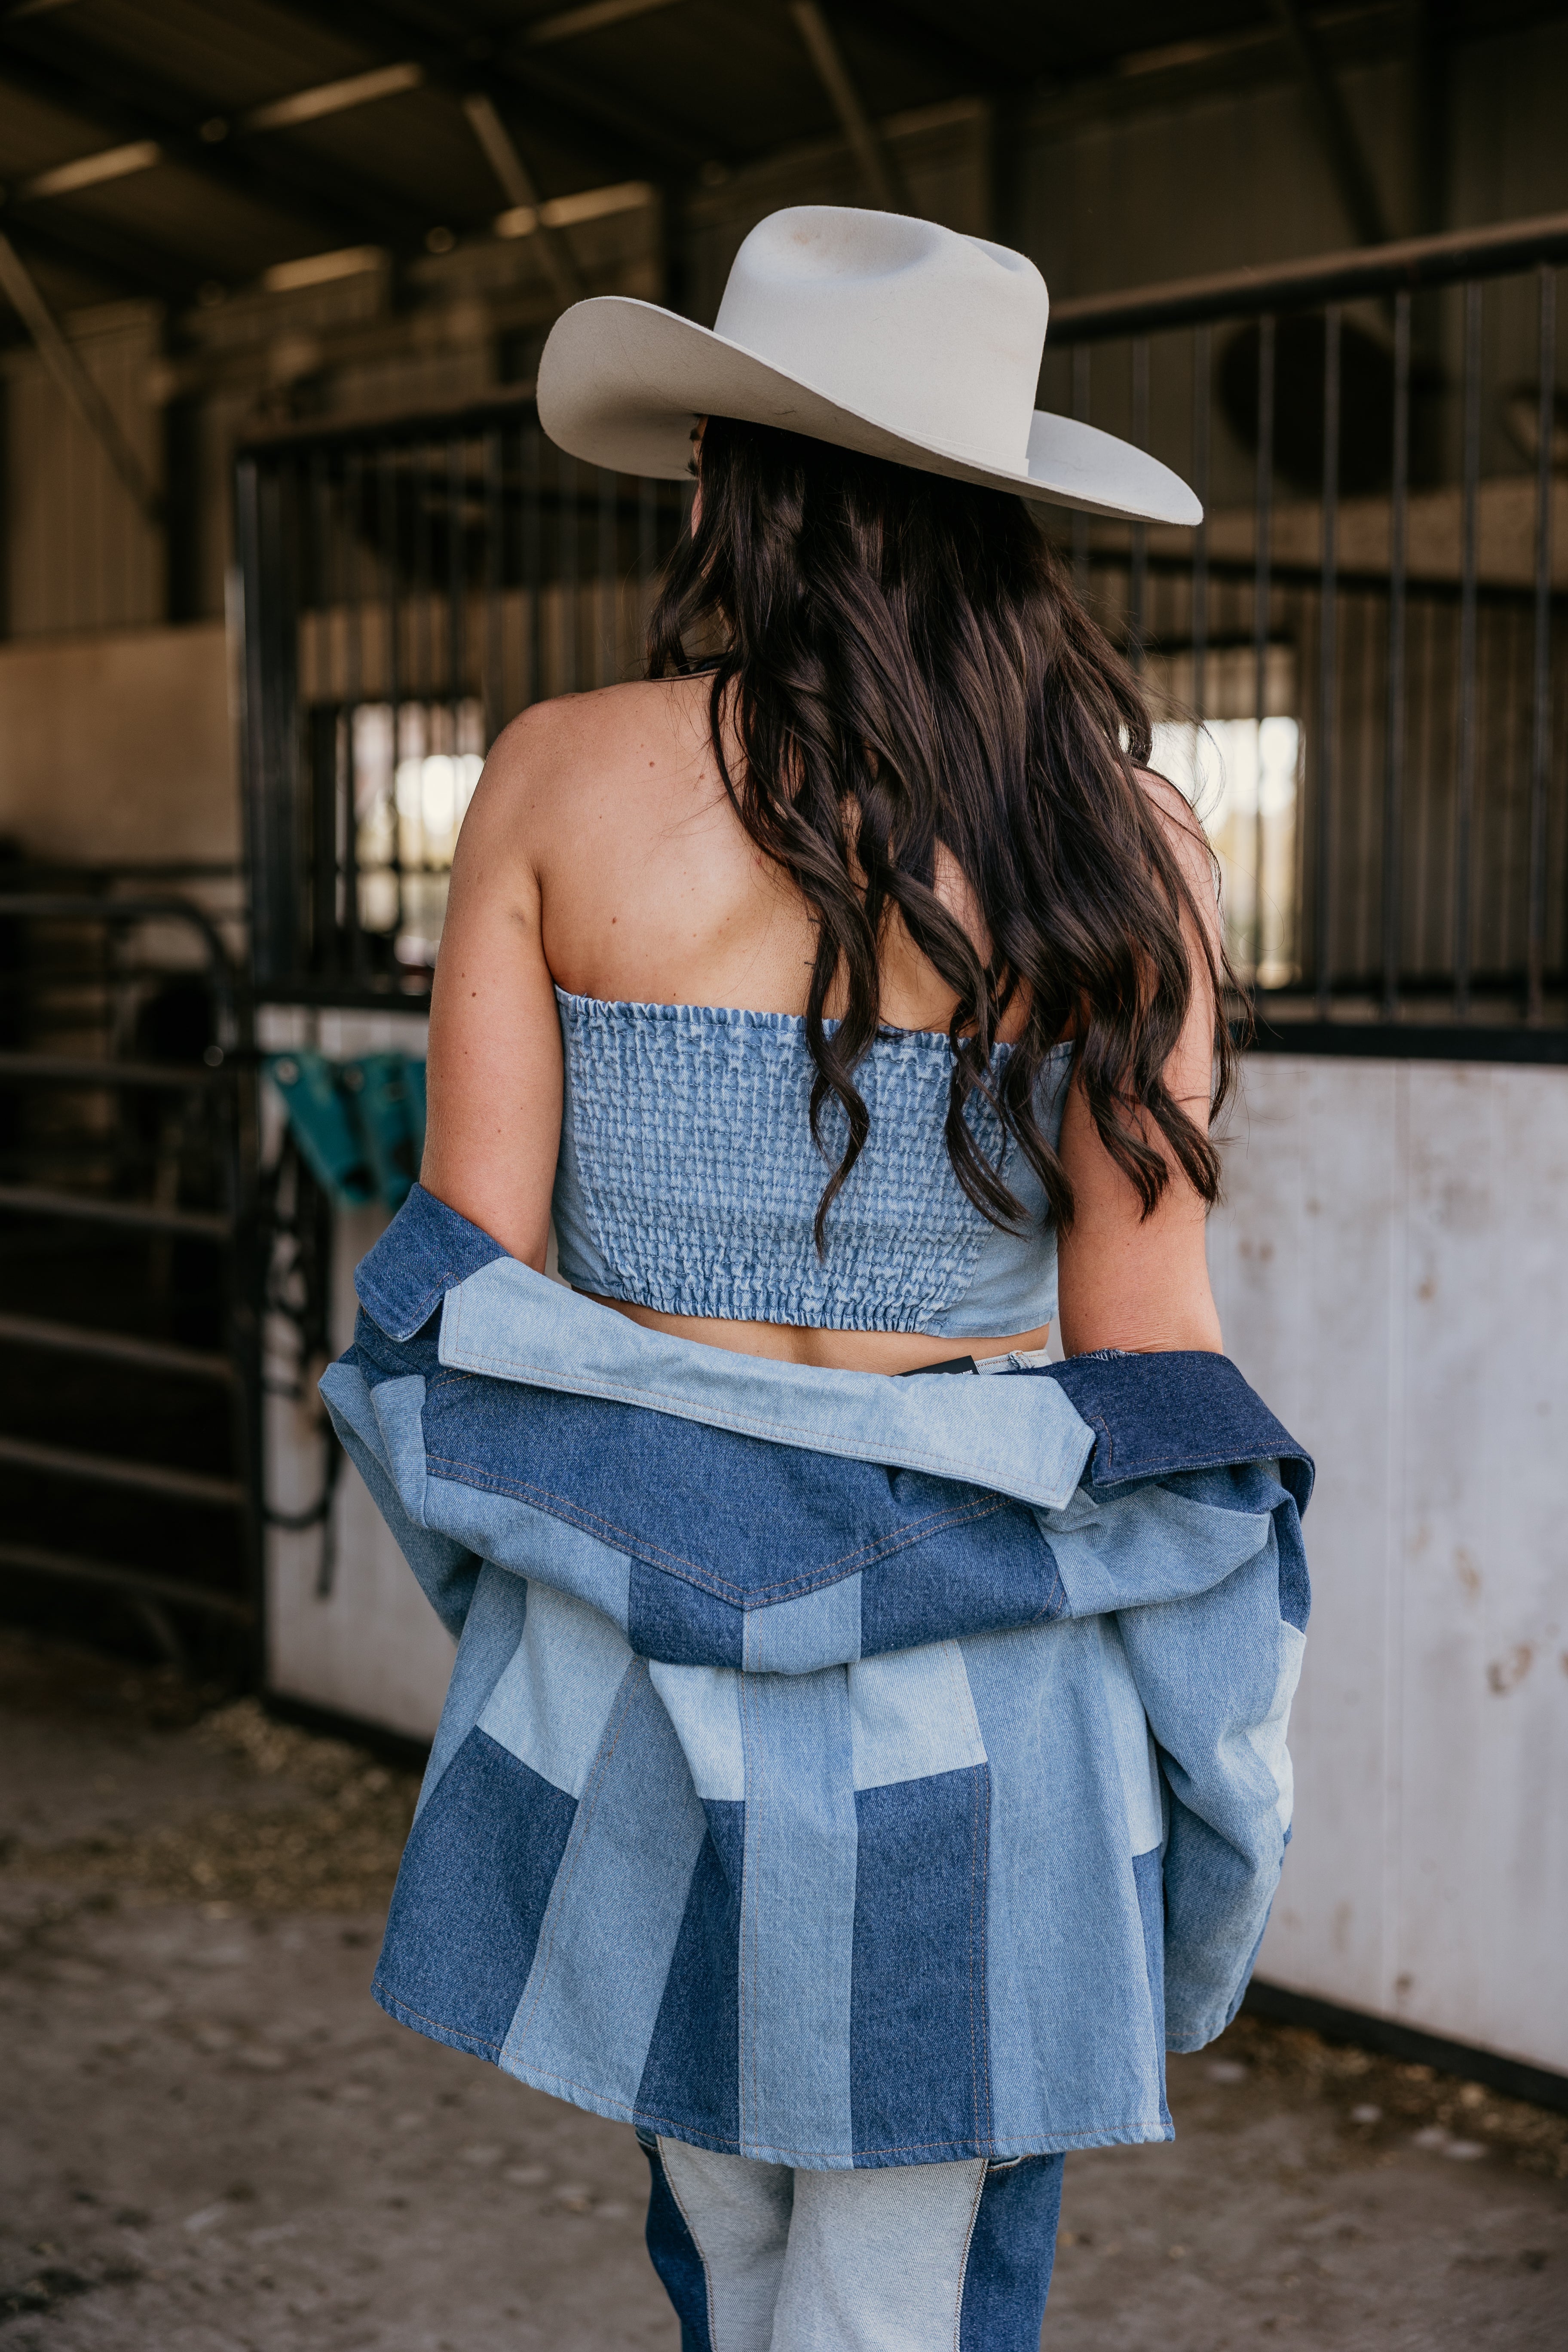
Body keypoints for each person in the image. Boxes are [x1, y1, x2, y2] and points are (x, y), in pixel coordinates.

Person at [324, 206, 1312, 2352]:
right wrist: (1227, 1766)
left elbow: (447, 1324)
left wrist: (580, 1592)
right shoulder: (1129, 849)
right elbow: (1157, 1386)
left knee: (734, 2282)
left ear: (723, 482)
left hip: (634, 1700)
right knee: (914, 2308)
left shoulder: (554, 779)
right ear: (1006, 512)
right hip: (986, 1727)